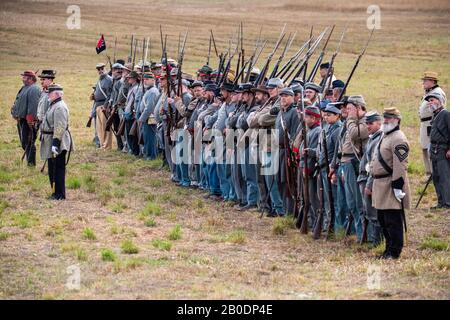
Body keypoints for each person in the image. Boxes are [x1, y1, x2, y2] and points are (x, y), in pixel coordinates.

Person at [370, 107, 410, 259]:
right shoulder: (386, 135)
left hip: (391, 183)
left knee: (392, 221)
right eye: (385, 117)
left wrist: (398, 185)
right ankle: (388, 249)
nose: (386, 120)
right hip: (380, 183)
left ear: (397, 120)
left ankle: (394, 252)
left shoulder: (399, 138)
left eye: (390, 118)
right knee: (383, 220)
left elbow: (401, 164)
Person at [39, 84, 73, 200]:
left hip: (58, 140)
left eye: (51, 93)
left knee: (58, 169)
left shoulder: (60, 107)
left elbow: (60, 126)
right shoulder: (53, 104)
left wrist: (55, 143)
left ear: (57, 94)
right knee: (52, 168)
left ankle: (59, 194)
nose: (48, 94)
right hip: (51, 139)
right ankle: (55, 192)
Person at [358, 111, 383, 245]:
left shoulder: (379, 139)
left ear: (379, 123)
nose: (368, 126)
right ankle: (373, 239)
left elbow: (374, 164)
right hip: (364, 177)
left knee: (373, 214)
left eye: (371, 123)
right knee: (368, 212)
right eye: (366, 123)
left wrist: (369, 184)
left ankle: (377, 241)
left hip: (370, 178)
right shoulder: (373, 137)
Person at [418, 71, 447, 175]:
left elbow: (439, 110)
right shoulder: (429, 91)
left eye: (425, 80)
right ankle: (429, 173)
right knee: (425, 148)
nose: (423, 83)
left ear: (432, 81)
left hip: (431, 124)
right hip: (425, 124)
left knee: (431, 149)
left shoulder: (438, 93)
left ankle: (433, 174)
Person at [424, 92, 450, 209]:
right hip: (434, 149)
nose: (430, 103)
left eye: (432, 100)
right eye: (429, 101)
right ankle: (440, 202)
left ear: (439, 101)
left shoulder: (445, 114)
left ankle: (447, 202)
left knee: (444, 176)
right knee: (436, 177)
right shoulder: (435, 114)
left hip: (443, 149)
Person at [11, 70, 41, 166]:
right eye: (23, 77)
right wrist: (14, 112)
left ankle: (31, 164)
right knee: (25, 143)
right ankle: (30, 162)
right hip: (22, 120)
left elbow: (33, 106)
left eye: (25, 77)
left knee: (28, 142)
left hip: (29, 121)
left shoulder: (34, 89)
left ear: (30, 79)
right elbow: (18, 101)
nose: (23, 79)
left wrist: (30, 120)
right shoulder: (24, 88)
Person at [93, 63, 113, 150]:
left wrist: (106, 106)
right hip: (98, 105)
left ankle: (107, 146)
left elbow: (110, 94)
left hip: (104, 106)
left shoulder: (108, 79)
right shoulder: (100, 80)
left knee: (106, 127)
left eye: (102, 68)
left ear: (105, 68)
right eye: (98, 69)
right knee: (100, 127)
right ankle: (102, 144)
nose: (100, 70)